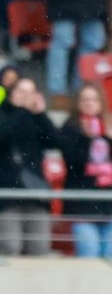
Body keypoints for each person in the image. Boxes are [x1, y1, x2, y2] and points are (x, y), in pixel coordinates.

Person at [55, 82, 112, 257]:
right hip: (82, 202)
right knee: (89, 251)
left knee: (111, 254)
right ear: (78, 103)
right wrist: (87, 139)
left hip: (110, 201)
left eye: (94, 100)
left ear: (101, 102)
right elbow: (71, 161)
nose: (89, 104)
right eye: (85, 100)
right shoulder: (70, 127)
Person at [0, 75, 56, 254]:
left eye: (29, 92)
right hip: (7, 196)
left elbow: (56, 142)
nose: (25, 97)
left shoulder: (37, 119)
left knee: (39, 247)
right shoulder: (4, 114)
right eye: (21, 92)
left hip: (35, 193)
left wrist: (41, 114)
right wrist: (22, 111)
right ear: (11, 93)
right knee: (10, 247)